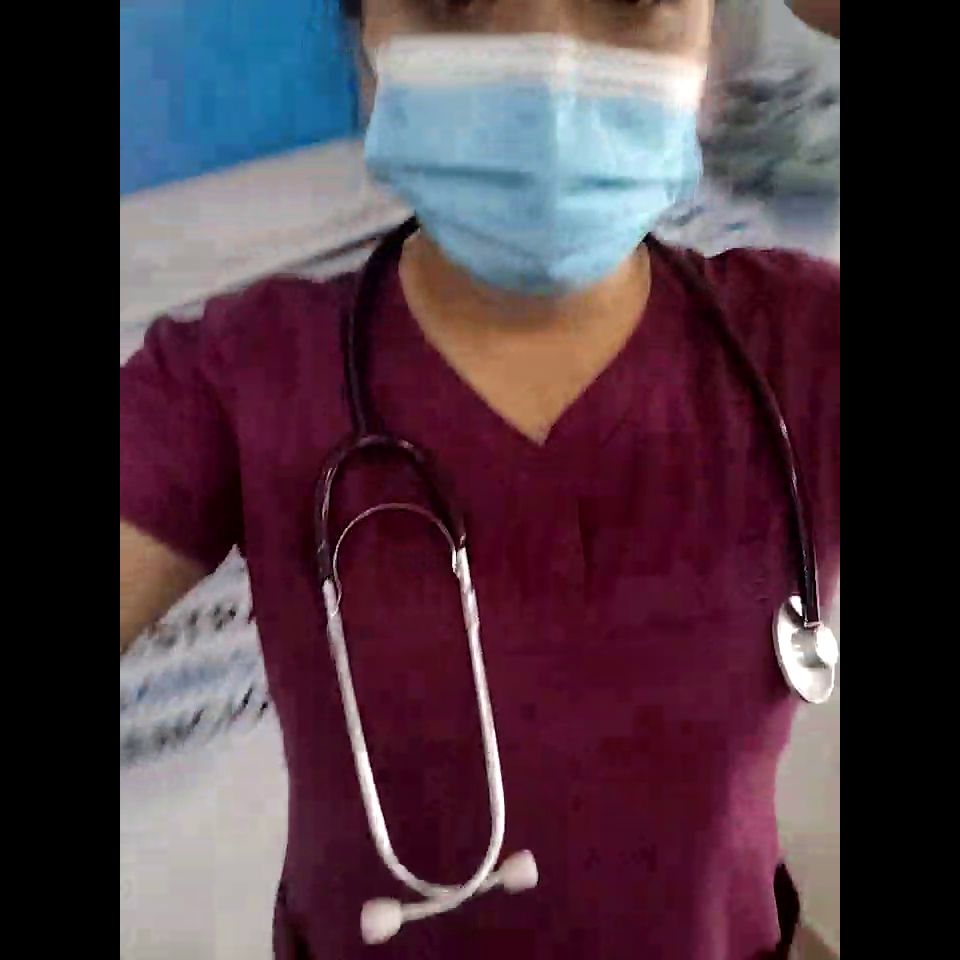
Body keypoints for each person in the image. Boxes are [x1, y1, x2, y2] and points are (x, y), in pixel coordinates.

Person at [120, 1, 840, 957]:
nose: (549, 70)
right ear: (363, 35)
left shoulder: (807, 348)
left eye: (630, 0)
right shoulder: (235, 376)